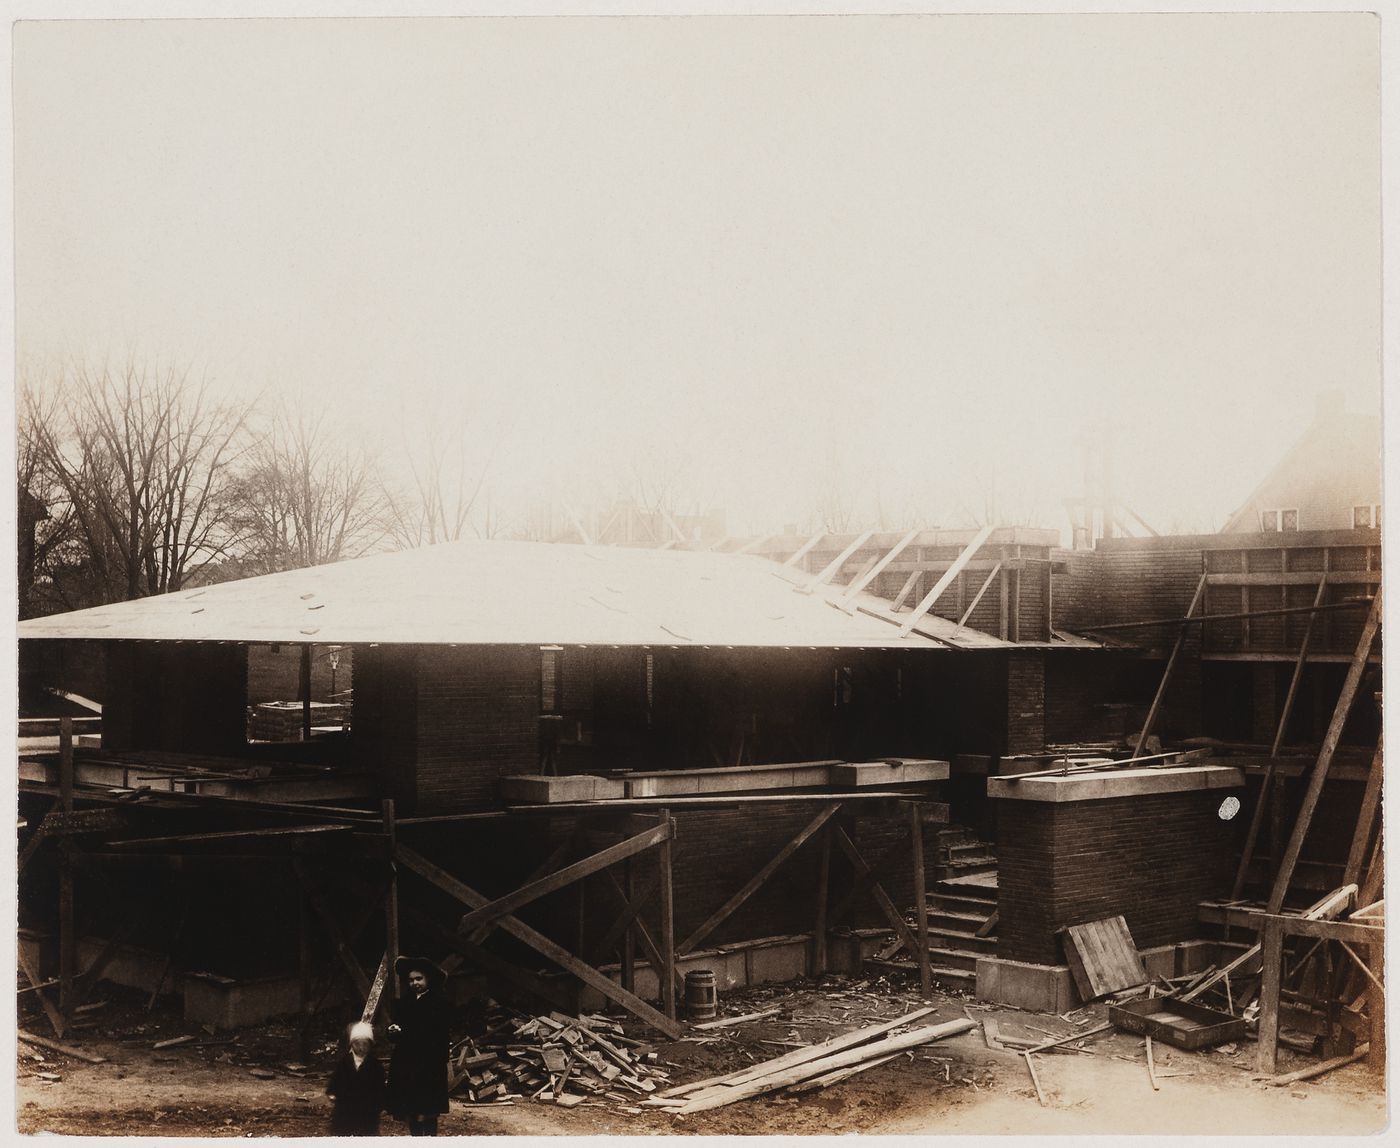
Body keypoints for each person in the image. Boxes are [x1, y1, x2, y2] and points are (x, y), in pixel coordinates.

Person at [384, 956, 450, 1136]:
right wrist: (392, 1030)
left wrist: (406, 1033)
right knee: (411, 1109)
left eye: (419, 979)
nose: (415, 983)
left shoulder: (439, 1003)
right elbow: (398, 1026)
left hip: (429, 1064)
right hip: (407, 1064)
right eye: (411, 980)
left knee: (427, 1110)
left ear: (428, 979)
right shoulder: (406, 1002)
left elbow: (437, 1035)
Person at [325, 1020, 385, 1136]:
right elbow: (336, 1079)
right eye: (357, 1044)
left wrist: (380, 1104)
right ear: (351, 1045)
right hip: (345, 1108)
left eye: (365, 1044)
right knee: (343, 1134)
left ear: (370, 1045)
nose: (361, 1048)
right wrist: (332, 1091)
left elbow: (380, 1088)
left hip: (367, 1110)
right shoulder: (344, 1062)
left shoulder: (375, 1065)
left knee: (365, 1135)